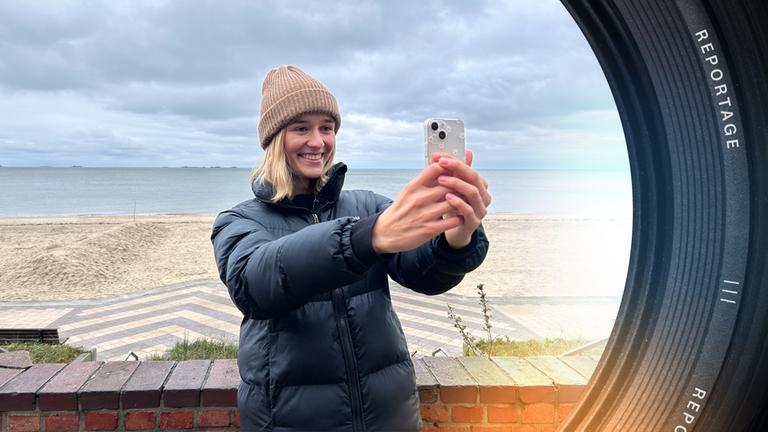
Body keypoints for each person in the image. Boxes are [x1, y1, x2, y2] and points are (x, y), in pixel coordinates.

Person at [211, 65, 491, 431]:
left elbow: (424, 273)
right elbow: (255, 285)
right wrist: (365, 239)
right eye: (301, 128)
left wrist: (456, 238)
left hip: (389, 417)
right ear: (275, 139)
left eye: (326, 127)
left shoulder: (368, 207)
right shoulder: (239, 221)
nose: (318, 141)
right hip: (288, 421)